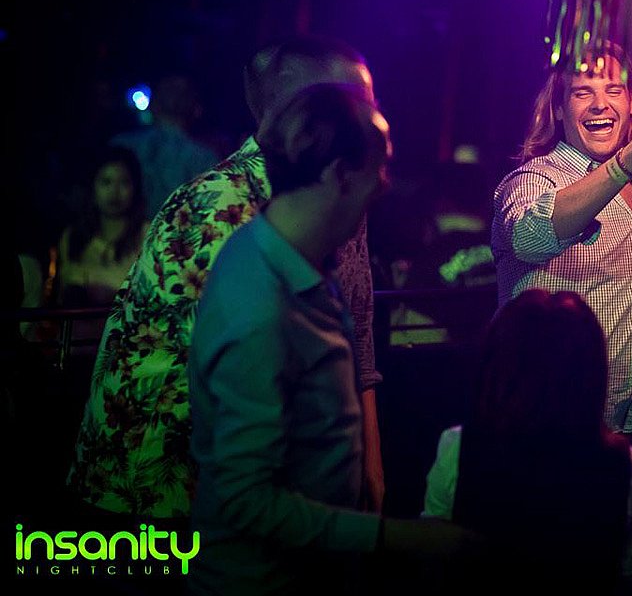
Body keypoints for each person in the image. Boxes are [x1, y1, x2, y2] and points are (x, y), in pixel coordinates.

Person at [68, 36, 385, 519]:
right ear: (298, 115)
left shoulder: (325, 193)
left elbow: (352, 334)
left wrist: (366, 461)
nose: (372, 116)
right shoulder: (223, 209)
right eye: (354, 101)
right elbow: (239, 400)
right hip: (157, 498)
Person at [189, 83, 474, 595]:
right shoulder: (261, 304)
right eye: (379, 168)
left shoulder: (297, 259)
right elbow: (246, 500)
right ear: (341, 173)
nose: (385, 185)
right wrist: (400, 538)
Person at [491, 42, 632, 435]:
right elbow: (527, 238)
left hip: (629, 428)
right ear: (558, 109)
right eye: (581, 92)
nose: (599, 104)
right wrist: (623, 165)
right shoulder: (534, 178)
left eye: (613, 89)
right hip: (541, 430)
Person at [422, 289, 632, 594]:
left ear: (499, 364)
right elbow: (628, 577)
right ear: (592, 371)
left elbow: (433, 559)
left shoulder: (459, 448)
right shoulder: (630, 468)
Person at [53, 146, 149, 358]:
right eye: (106, 182)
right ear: (93, 187)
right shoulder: (74, 237)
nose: (115, 192)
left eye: (124, 182)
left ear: (135, 188)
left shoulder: (147, 237)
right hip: (74, 351)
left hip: (124, 352)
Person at [112, 73, 220, 214]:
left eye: (183, 91)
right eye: (170, 88)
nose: (176, 94)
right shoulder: (124, 144)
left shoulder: (204, 157)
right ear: (156, 96)